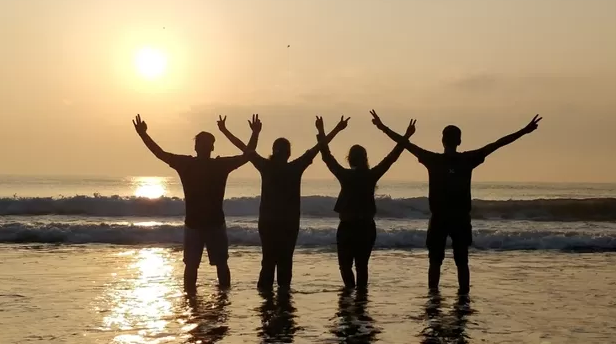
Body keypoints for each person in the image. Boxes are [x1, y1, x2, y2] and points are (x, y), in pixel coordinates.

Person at [371, 110, 541, 293]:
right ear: (459, 141)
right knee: (462, 261)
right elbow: (497, 144)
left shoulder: (433, 159)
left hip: (439, 219)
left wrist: (383, 127)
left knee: (435, 262)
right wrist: (524, 131)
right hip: (460, 219)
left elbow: (405, 144)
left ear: (442, 141)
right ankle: (463, 299)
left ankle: (433, 298)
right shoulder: (467, 159)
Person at [132, 113, 260, 291]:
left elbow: (159, 153)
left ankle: (199, 300)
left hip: (206, 224)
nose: (204, 146)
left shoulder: (190, 164)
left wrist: (143, 134)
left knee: (202, 265)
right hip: (203, 224)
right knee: (211, 265)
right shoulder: (212, 165)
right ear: (210, 148)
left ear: (198, 147)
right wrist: (255, 133)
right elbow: (247, 156)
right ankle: (213, 300)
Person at [218, 116, 347, 292]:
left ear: (273, 151)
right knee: (285, 262)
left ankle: (266, 304)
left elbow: (244, 148)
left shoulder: (266, 166)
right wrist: (333, 129)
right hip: (289, 224)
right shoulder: (295, 167)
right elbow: (318, 147)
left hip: (268, 223)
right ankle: (284, 303)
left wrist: (233, 131)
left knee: (268, 262)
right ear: (288, 153)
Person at [316, 114, 413, 292]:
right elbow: (391, 158)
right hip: (366, 227)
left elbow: (327, 157)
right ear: (365, 158)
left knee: (345, 267)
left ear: (350, 159)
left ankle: (350, 295)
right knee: (362, 267)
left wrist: (322, 132)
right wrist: (406, 137)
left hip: (347, 227)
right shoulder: (370, 175)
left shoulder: (346, 176)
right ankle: (360, 300)